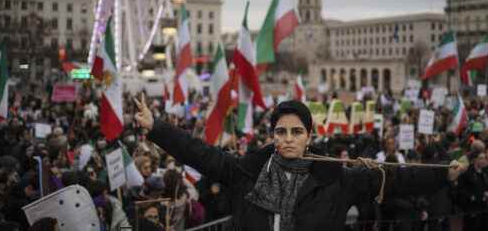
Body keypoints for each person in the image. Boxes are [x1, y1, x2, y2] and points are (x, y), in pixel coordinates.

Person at [134, 97, 467, 231]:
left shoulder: (337, 178)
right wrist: (157, 128)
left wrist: (444, 174)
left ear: (310, 135)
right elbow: (199, 153)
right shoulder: (247, 171)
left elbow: (396, 180)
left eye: (296, 131)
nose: (288, 138)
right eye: (281, 131)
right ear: (273, 135)